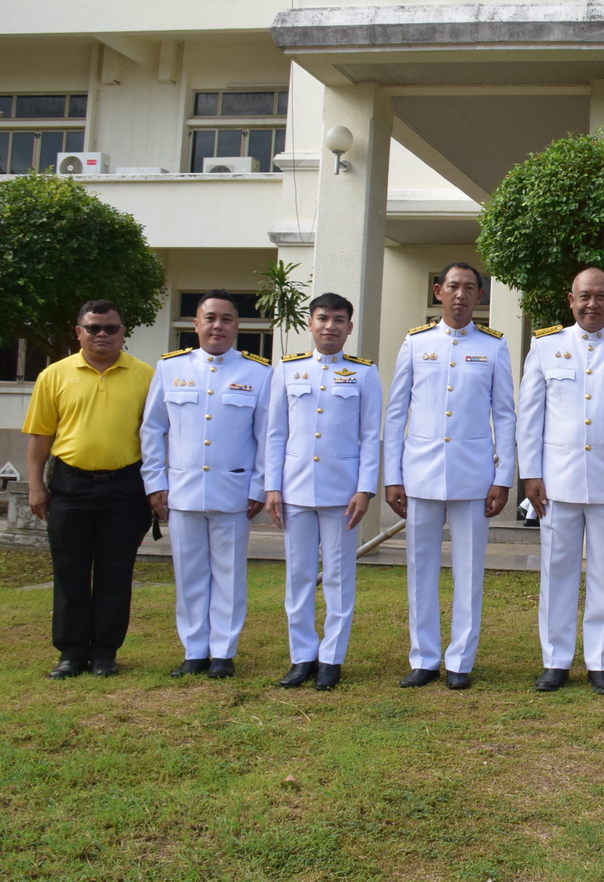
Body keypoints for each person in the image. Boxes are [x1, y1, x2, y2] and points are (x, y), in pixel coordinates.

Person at [519, 268, 604, 695]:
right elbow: (530, 415)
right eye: (584, 296)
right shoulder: (545, 346)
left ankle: (600, 661)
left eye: (601, 297)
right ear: (570, 299)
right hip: (556, 483)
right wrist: (531, 474)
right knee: (556, 572)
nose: (591, 304)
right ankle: (555, 660)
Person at [384, 263, 515, 690]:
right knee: (420, 568)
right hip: (419, 474)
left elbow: (505, 416)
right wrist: (392, 476)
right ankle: (423, 656)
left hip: (474, 476)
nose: (460, 295)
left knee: (470, 570)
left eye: (470, 288)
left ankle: (461, 659)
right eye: (453, 287)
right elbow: (396, 413)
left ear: (481, 297)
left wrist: (503, 476)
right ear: (439, 291)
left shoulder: (494, 347)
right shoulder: (416, 342)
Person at [140, 290, 270, 679]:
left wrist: (258, 487)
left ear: (237, 327)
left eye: (227, 319)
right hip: (181, 490)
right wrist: (154, 481)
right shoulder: (169, 369)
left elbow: (267, 436)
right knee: (190, 572)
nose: (218, 325)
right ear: (196, 325)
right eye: (210, 318)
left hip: (233, 492)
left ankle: (223, 651)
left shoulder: (258, 373)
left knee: (229, 575)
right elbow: (152, 429)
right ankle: (194, 649)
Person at [23, 300, 154, 679]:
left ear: (122, 332)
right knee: (70, 571)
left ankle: (105, 653)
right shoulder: (55, 374)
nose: (102, 335)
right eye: (93, 328)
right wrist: (35, 487)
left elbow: (156, 437)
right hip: (70, 486)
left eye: (110, 328)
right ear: (78, 331)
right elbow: (40, 438)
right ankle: (71, 651)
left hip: (125, 487)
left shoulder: (145, 375)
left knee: (116, 571)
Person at [263, 293, 382, 692]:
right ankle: (301, 657)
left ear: (350, 327)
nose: (330, 326)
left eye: (339, 320)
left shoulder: (364, 373)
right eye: (323, 318)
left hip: (342, 493)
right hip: (295, 491)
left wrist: (365, 489)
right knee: (298, 577)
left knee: (338, 578)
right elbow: (275, 433)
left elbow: (371, 437)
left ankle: (331, 658)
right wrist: (272, 487)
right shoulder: (288, 370)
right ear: (309, 324)